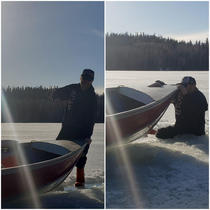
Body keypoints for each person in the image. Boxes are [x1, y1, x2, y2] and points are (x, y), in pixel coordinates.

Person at [52, 69, 97, 186]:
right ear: (81, 77)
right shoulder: (73, 89)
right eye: (85, 78)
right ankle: (54, 177)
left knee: (81, 156)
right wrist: (56, 98)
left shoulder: (92, 98)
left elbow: (91, 120)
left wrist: (88, 136)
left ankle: (80, 179)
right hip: (67, 127)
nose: (86, 81)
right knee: (57, 151)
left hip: (82, 131)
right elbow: (57, 92)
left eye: (89, 79)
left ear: (92, 81)